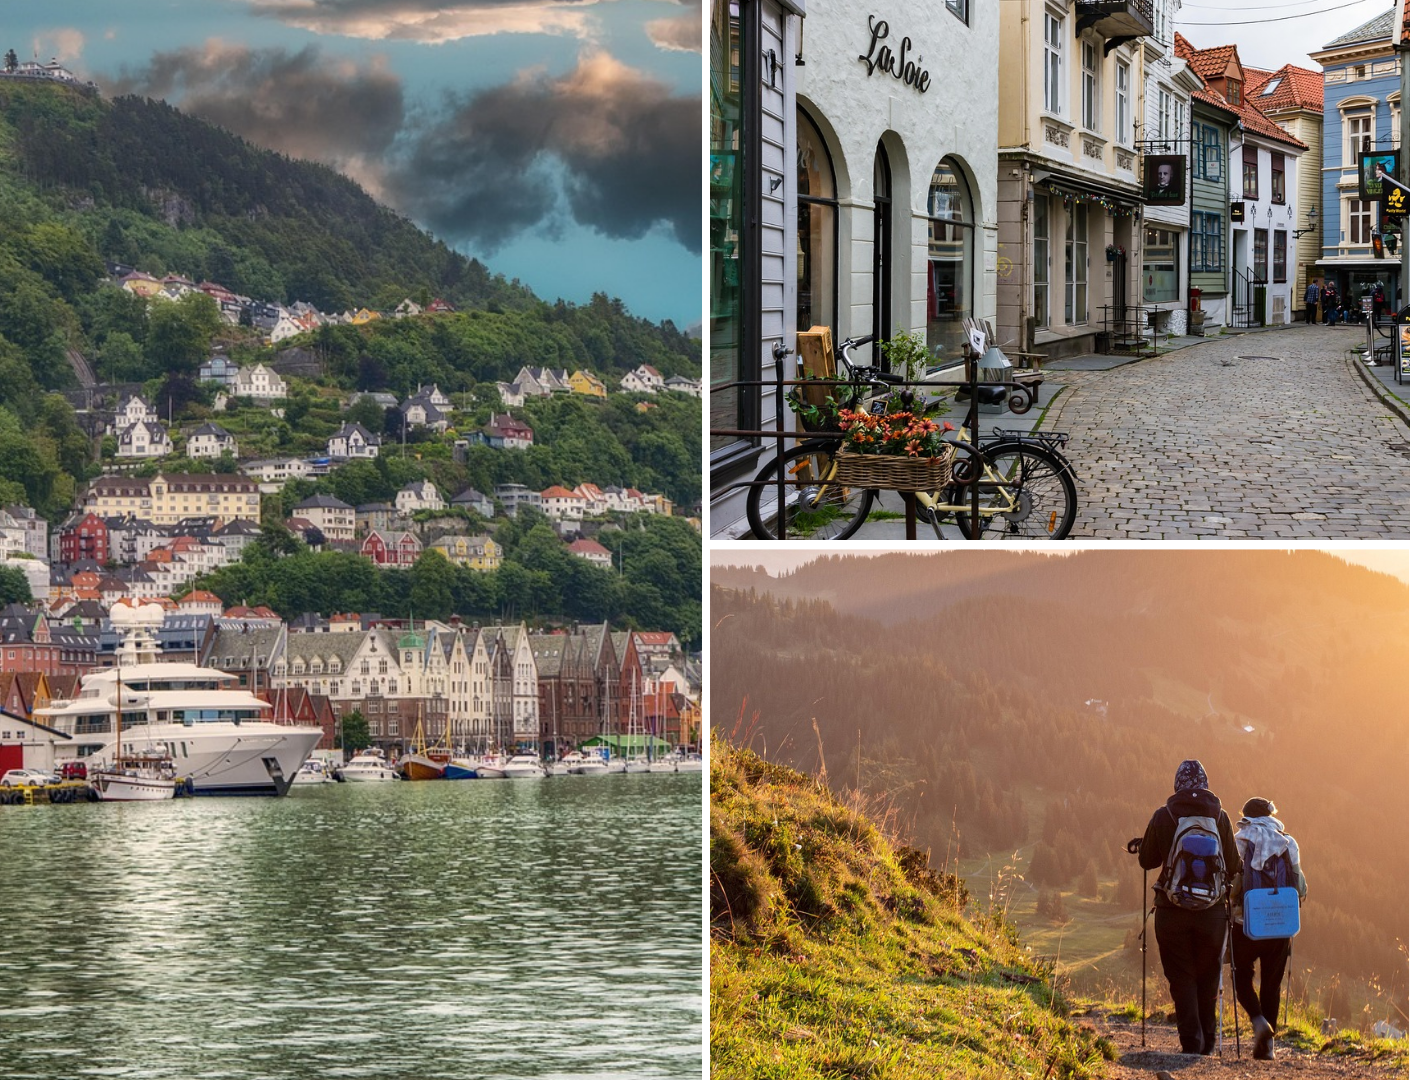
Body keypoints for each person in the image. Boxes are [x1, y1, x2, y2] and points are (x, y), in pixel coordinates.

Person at [1138, 760, 1241, 1056]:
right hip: (1212, 915)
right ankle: (1208, 1045)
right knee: (1209, 976)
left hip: (1171, 912)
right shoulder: (1220, 818)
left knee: (1181, 976)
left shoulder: (1164, 815)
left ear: (1177, 785)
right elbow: (1233, 866)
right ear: (1205, 784)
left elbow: (1147, 861)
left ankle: (1191, 1043)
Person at [1231, 797, 1306, 1061]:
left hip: (1246, 925)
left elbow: (1230, 884)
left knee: (1241, 976)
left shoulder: (1239, 841)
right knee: (1271, 985)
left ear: (1246, 816)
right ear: (1271, 814)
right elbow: (1301, 889)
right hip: (1281, 925)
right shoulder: (1288, 842)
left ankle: (1258, 1019)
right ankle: (1269, 1048)